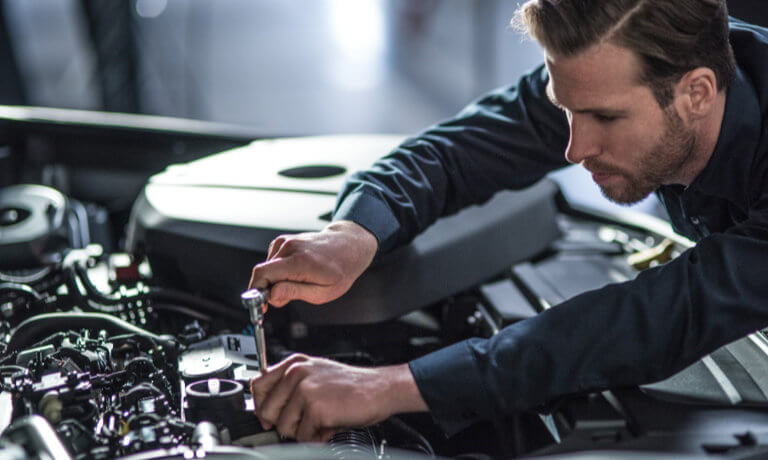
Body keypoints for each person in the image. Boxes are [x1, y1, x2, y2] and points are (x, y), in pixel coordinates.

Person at [249, 0, 768, 444]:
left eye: (606, 119)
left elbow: (655, 319)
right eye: (565, 110)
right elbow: (457, 153)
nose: (574, 147)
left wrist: (391, 387)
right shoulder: (611, 74)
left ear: (696, 94)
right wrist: (352, 235)